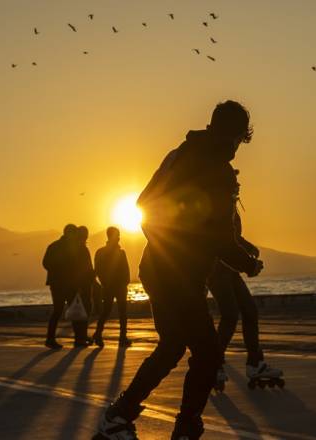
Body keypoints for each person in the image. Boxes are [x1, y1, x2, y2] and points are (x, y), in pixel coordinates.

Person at [94, 100, 264, 440]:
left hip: (157, 270)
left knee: (172, 346)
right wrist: (247, 263)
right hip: (180, 278)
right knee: (208, 354)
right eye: (237, 139)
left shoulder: (179, 154)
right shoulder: (217, 170)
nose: (236, 148)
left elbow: (143, 205)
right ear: (231, 135)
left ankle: (118, 416)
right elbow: (217, 238)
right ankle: (186, 427)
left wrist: (165, 248)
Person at [209, 184, 283, 389]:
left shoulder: (230, 204)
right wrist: (248, 262)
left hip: (230, 270)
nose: (238, 185)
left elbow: (232, 238)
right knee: (230, 315)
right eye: (234, 182)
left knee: (250, 310)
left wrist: (249, 247)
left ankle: (254, 363)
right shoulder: (218, 203)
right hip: (216, 270)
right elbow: (220, 241)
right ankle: (213, 364)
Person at [42, 224, 90, 349]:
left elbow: (46, 263)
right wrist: (60, 269)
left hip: (62, 284)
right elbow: (47, 263)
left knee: (64, 311)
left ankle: (54, 339)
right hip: (62, 284)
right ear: (69, 233)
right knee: (67, 311)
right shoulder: (60, 247)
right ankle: (76, 340)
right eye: (74, 233)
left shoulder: (55, 246)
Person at [93, 226, 131, 348]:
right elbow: (98, 270)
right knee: (114, 311)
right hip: (113, 286)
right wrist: (106, 282)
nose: (119, 238)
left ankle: (116, 336)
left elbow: (125, 270)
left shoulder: (107, 252)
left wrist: (125, 282)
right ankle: (103, 335)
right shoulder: (109, 252)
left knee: (112, 311)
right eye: (117, 235)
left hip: (116, 286)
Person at [76, 225, 97, 345]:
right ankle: (80, 338)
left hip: (85, 283)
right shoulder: (81, 249)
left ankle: (82, 336)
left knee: (84, 310)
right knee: (85, 310)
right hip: (83, 284)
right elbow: (85, 267)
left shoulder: (81, 249)